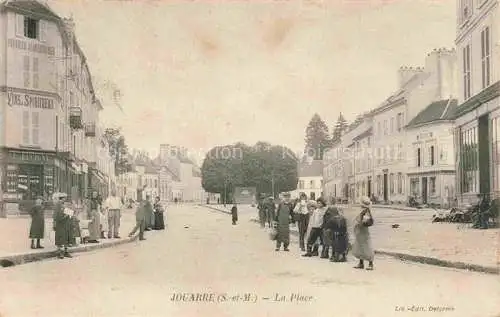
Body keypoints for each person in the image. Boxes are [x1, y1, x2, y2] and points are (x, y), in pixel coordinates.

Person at [352, 196, 375, 270]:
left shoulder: (366, 211)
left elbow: (365, 221)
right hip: (360, 230)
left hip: (363, 230)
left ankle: (370, 263)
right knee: (360, 245)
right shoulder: (363, 210)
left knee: (366, 246)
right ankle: (361, 263)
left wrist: (360, 222)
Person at [52, 193, 73, 259]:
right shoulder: (58, 205)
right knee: (60, 238)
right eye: (65, 198)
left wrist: (69, 214)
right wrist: (55, 222)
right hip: (60, 224)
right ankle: (60, 252)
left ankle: (65, 251)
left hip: (65, 224)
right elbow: (56, 215)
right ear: (62, 198)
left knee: (65, 237)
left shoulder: (63, 205)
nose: (65, 199)